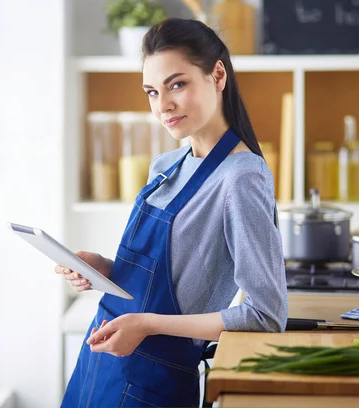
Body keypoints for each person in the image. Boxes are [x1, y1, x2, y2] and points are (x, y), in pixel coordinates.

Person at [56, 17, 288, 408]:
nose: (162, 105)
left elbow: (265, 313)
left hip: (153, 383)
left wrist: (146, 325)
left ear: (217, 75)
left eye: (176, 85)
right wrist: (102, 269)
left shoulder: (241, 179)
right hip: (101, 363)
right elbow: (169, 281)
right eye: (151, 91)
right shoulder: (167, 166)